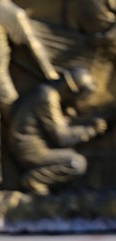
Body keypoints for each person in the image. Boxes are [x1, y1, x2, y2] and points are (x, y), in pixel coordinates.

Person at [8, 67, 108, 195]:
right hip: (30, 150)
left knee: (73, 155)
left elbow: (58, 126)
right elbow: (62, 137)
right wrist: (91, 130)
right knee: (76, 163)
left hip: (31, 146)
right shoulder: (47, 97)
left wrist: (83, 123)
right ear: (70, 91)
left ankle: (61, 190)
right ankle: (34, 180)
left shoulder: (46, 92)